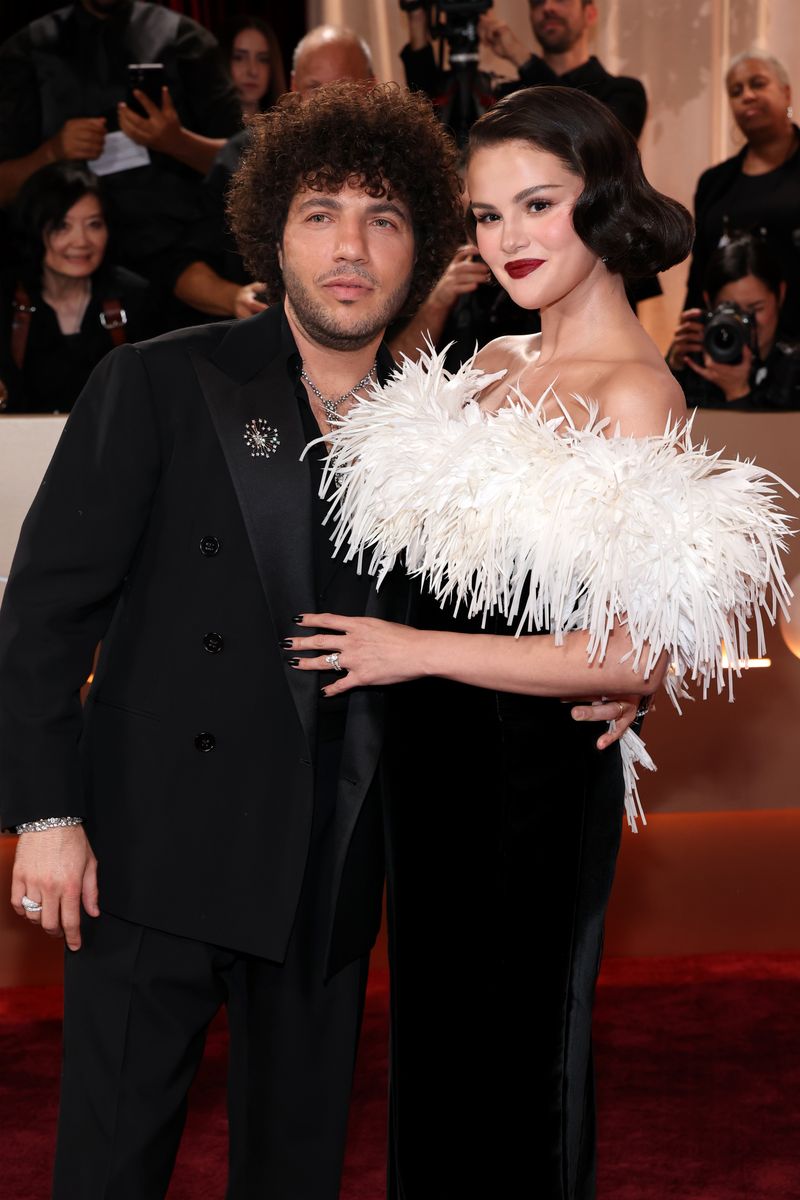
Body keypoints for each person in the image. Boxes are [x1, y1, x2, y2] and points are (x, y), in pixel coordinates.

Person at [282, 88, 789, 1198]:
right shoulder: (479, 367)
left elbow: (622, 657)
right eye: (483, 215)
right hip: (430, 772)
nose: (507, 239)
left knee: (520, 1065)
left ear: (600, 205)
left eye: (536, 205)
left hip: (534, 779)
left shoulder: (636, 394)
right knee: (431, 1057)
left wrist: (408, 651)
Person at [0, 82, 464, 1199]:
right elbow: (45, 613)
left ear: (424, 251)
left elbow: (472, 640)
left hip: (333, 868)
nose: (350, 247)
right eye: (319, 213)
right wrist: (47, 816)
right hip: (146, 855)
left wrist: (600, 681)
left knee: (296, 1172)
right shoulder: (156, 381)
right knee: (109, 1169)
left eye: (384, 217)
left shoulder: (449, 434)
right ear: (271, 231)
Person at [0, 0, 241, 286]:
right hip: (60, 277)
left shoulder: (185, 40)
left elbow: (247, 165)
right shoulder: (27, 49)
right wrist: (52, 152)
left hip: (179, 276)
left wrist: (177, 142)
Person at [171, 25, 376, 323]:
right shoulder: (244, 158)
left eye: (342, 88)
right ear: (294, 86)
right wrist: (233, 298)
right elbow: (184, 269)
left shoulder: (399, 162)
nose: (328, 104)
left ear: (371, 88)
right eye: (315, 89)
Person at [0, 161, 153, 413]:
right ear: (34, 229)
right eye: (62, 226)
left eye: (94, 224)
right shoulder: (6, 299)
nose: (81, 241)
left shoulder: (135, 297)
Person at [684, 50, 800, 339]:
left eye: (758, 84)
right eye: (736, 91)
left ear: (786, 94)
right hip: (731, 348)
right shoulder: (714, 182)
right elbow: (700, 276)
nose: (747, 95)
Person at [669, 231, 800, 411]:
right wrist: (673, 371)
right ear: (709, 302)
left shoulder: (794, 369)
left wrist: (737, 392)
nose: (743, 321)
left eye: (755, 309)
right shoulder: (693, 358)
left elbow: (778, 439)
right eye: (730, 309)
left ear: (780, 294)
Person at [222, 15, 287, 121]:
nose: (253, 71)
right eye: (239, 58)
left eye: (263, 59)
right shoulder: (201, 128)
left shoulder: (288, 129)